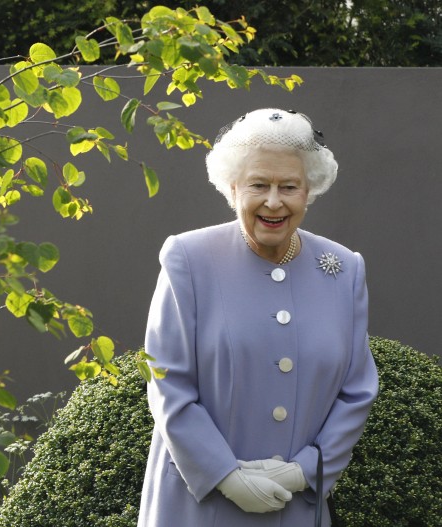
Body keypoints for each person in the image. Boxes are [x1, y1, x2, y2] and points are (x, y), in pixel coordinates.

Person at [138, 108, 379, 526]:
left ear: (310, 191)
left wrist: (307, 469)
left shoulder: (344, 268)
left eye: (289, 186)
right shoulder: (188, 258)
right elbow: (166, 380)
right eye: (258, 185)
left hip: (296, 505)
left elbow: (357, 390)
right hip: (198, 506)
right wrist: (225, 475)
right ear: (232, 189)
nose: (274, 201)